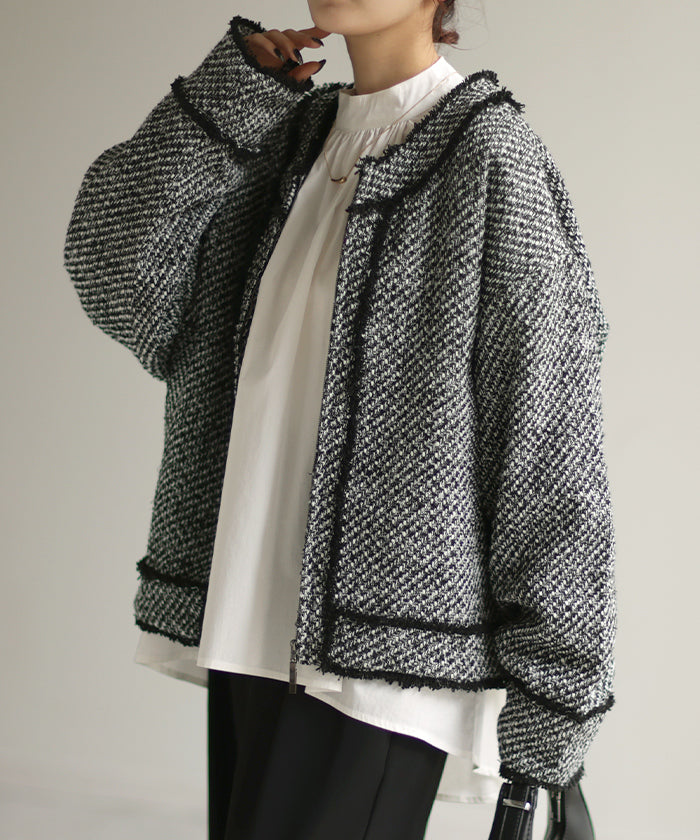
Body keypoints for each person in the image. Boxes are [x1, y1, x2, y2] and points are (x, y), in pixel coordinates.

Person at [63, 2, 617, 839]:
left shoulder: (490, 157)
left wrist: (554, 708)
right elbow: (114, 274)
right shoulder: (283, 139)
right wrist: (230, 95)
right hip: (248, 626)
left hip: (379, 666)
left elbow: (549, 447)